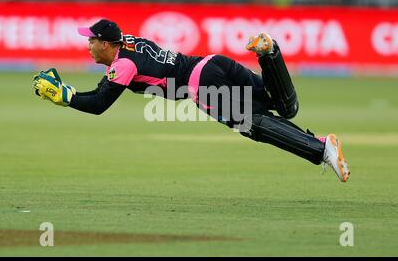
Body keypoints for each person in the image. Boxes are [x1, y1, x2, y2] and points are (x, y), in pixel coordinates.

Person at [33, 19, 350, 182]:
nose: (87, 45)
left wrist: (65, 96)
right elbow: (110, 81)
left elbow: (100, 103)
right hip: (215, 63)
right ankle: (270, 54)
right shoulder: (130, 43)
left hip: (202, 83)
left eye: (91, 40)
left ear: (105, 44)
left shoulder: (124, 64)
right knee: (284, 105)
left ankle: (322, 149)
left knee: (253, 125)